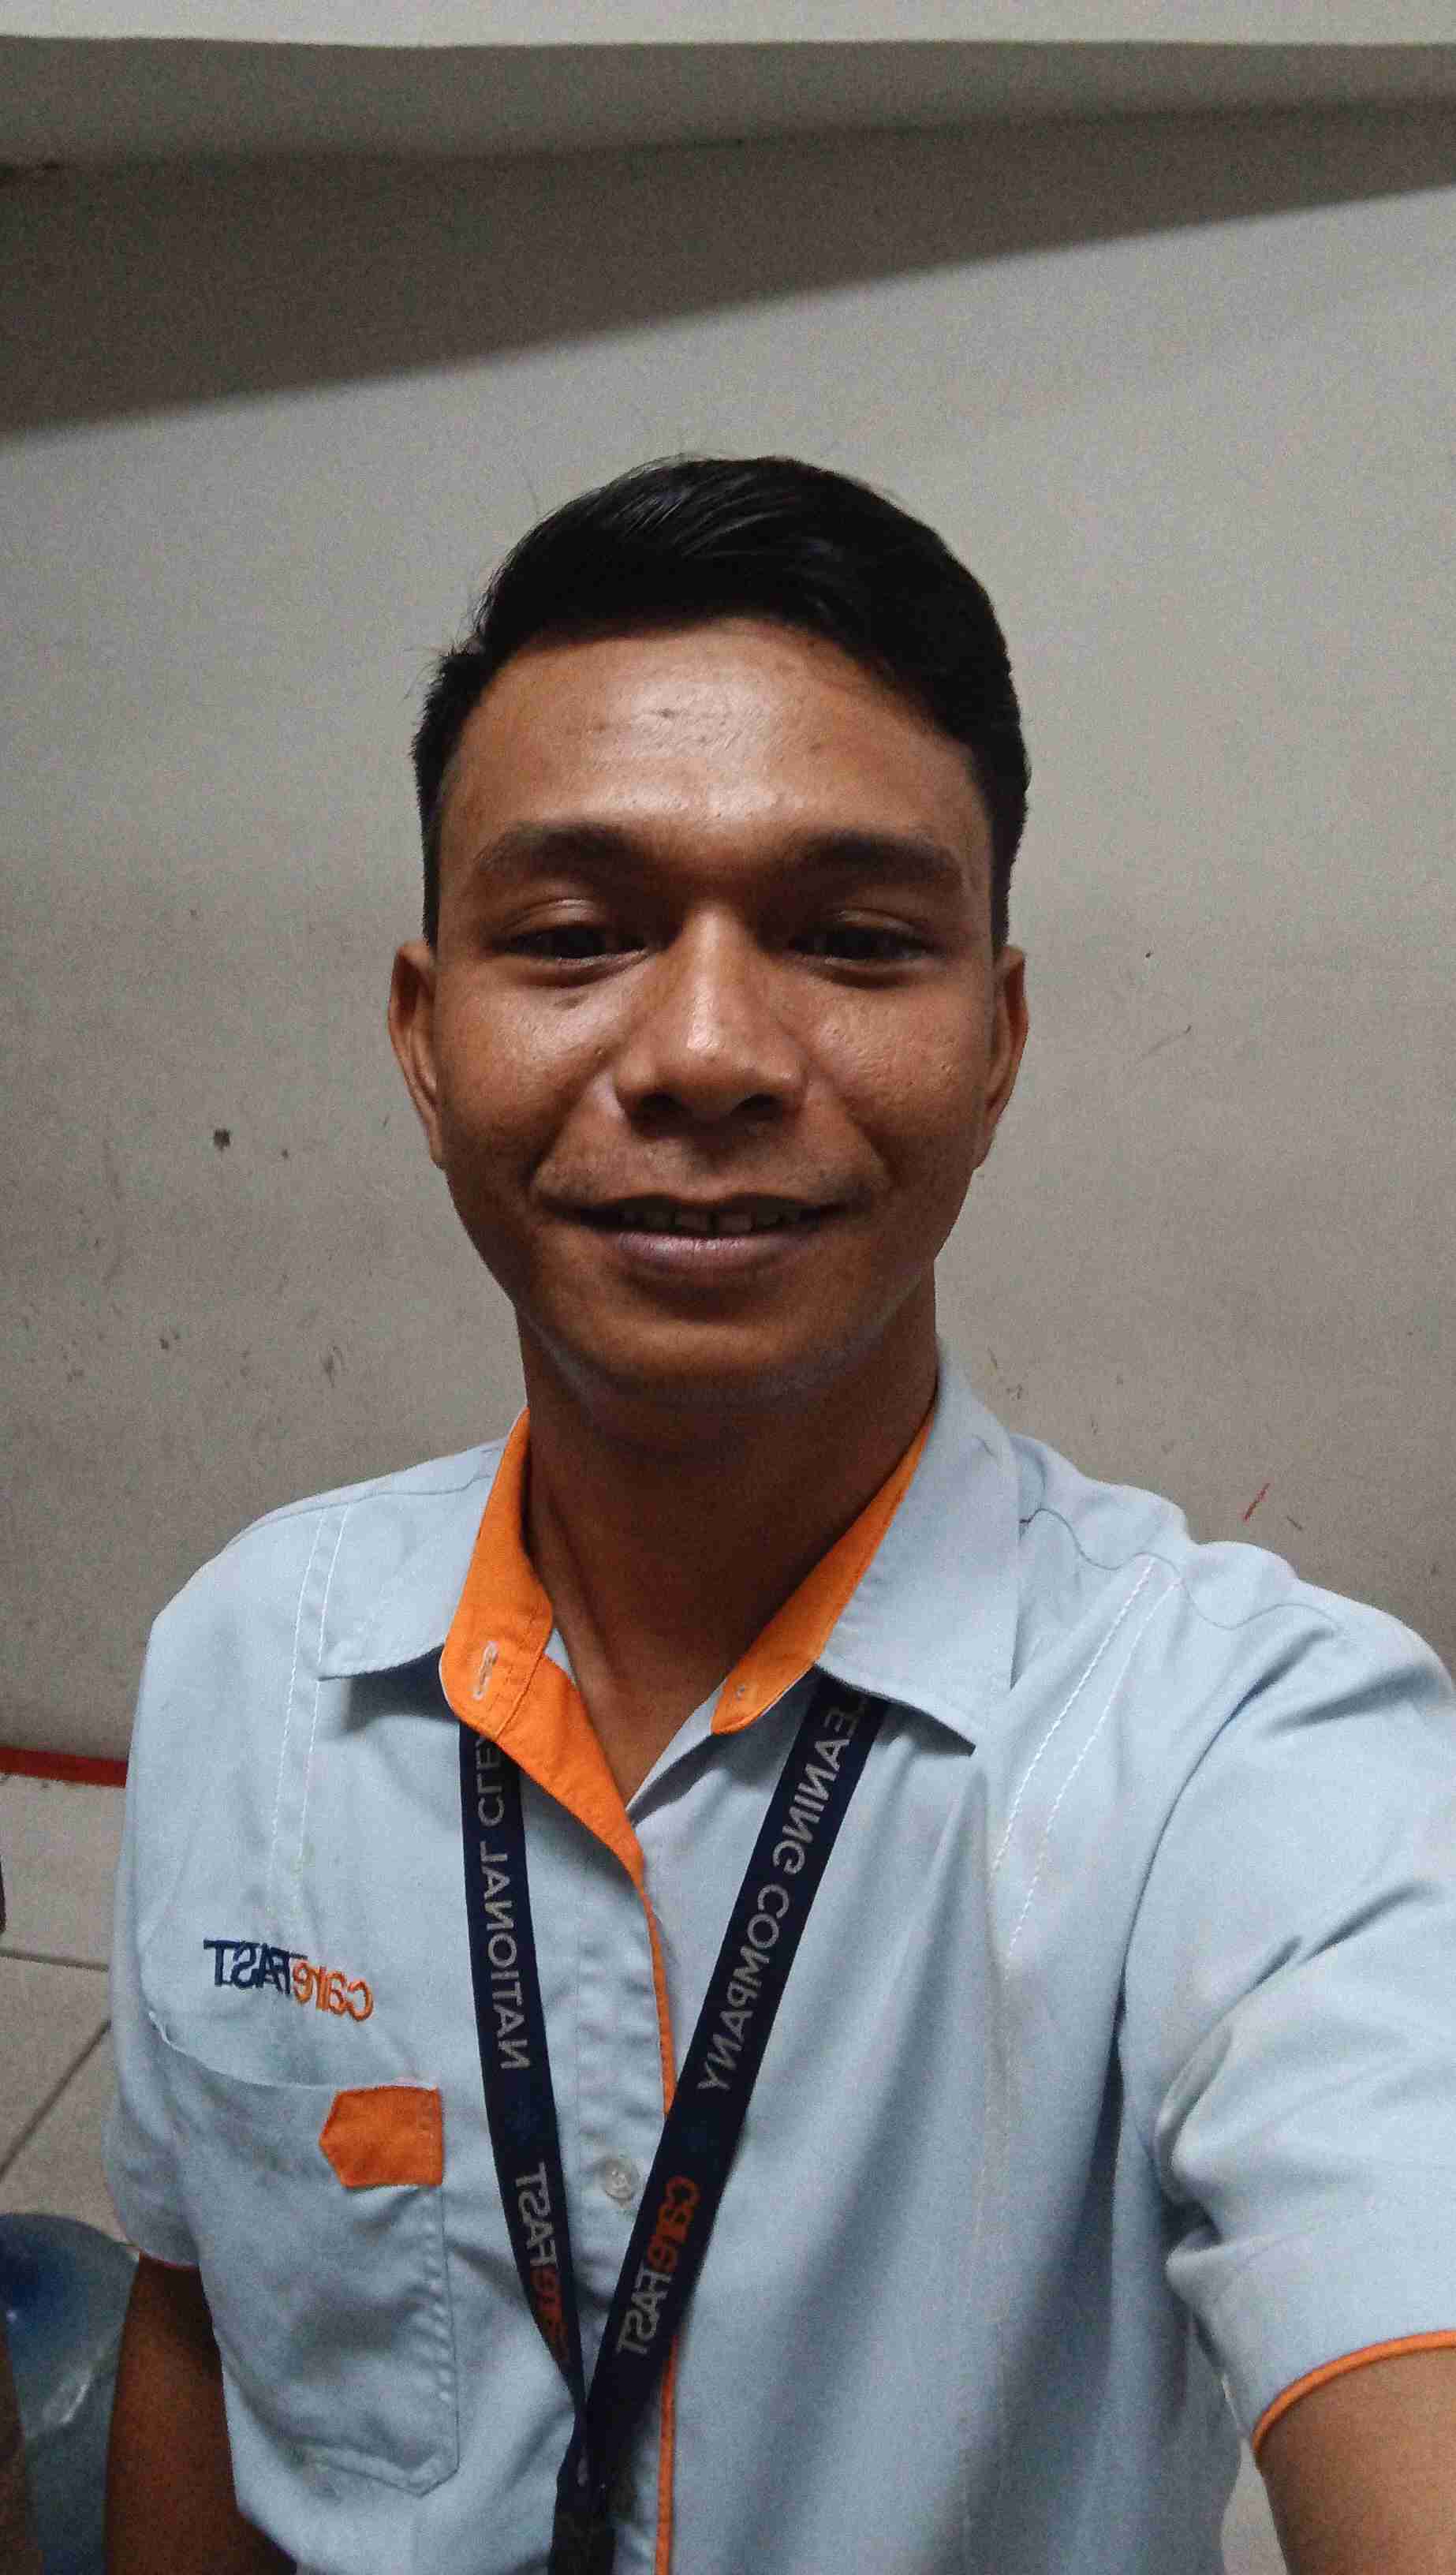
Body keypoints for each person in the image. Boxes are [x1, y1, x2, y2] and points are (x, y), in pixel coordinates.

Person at [103, 457, 1456, 2575]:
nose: (711, 1051)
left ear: (997, 1040)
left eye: (852, 941)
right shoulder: (245, 1661)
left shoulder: (1249, 1753)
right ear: (425, 1041)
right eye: (575, 938)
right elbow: (203, 2330)